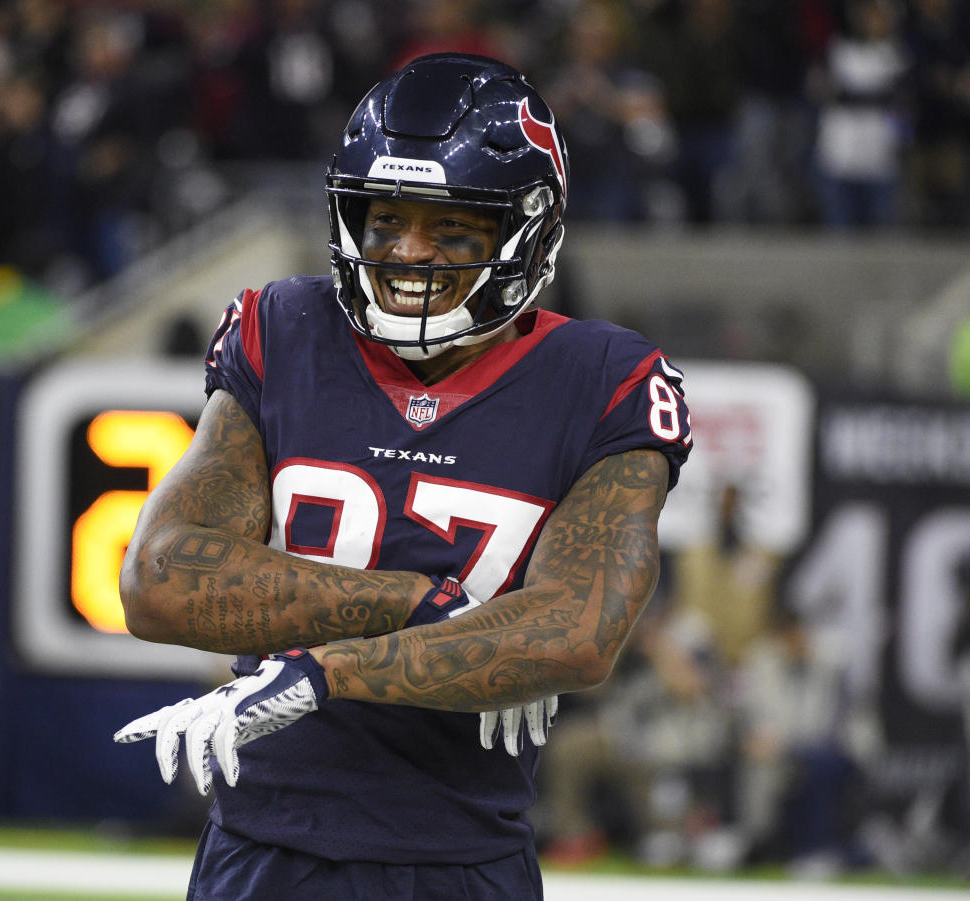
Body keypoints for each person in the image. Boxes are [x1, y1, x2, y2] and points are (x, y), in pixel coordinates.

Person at [114, 53, 693, 900]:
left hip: (463, 857)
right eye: (385, 222)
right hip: (266, 849)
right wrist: (418, 602)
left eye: (451, 228)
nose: (407, 254)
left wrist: (325, 671)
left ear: (529, 228)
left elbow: (577, 631)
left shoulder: (604, 377)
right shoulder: (284, 327)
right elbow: (159, 578)